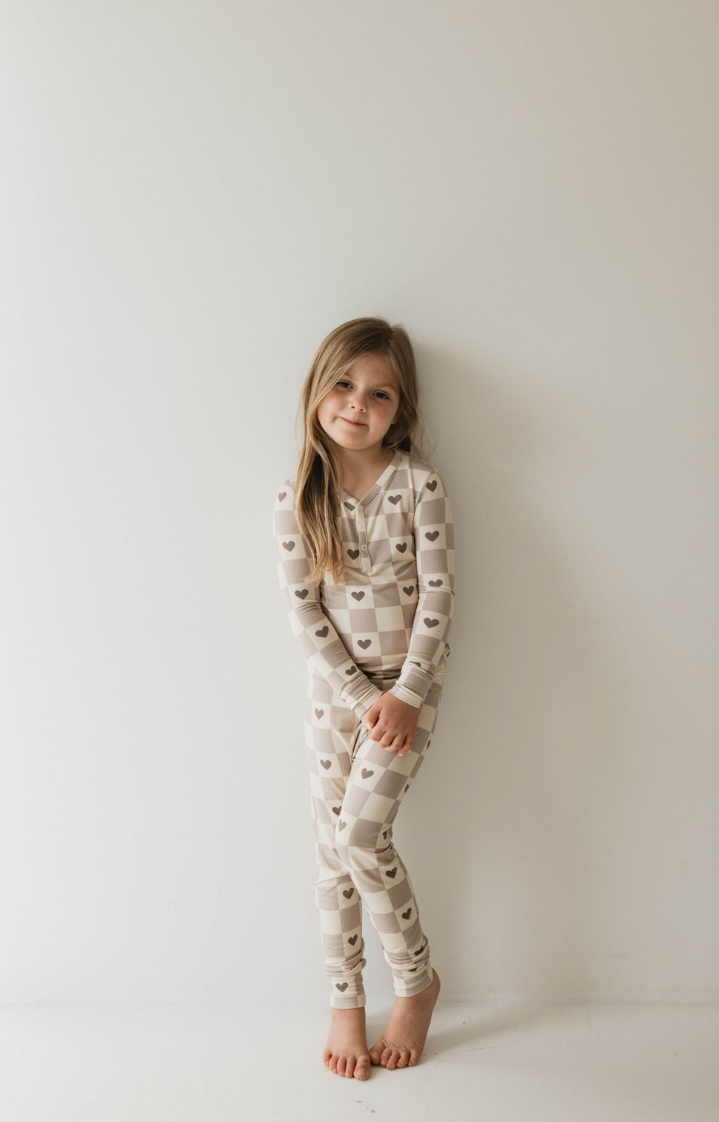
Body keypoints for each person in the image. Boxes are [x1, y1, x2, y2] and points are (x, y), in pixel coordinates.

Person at [271, 316, 455, 1080]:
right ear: (318, 389)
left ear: (400, 409)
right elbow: (304, 612)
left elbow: (439, 600)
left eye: (379, 393)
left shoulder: (419, 485)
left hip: (408, 694)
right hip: (333, 698)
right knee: (331, 858)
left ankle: (417, 982)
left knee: (360, 838)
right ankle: (346, 1002)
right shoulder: (298, 494)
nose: (357, 404)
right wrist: (355, 693)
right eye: (344, 385)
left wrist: (405, 694)